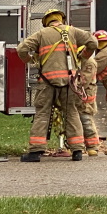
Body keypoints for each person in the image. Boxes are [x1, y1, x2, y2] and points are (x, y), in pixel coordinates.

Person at [17, 8, 98, 162]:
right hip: (70, 82)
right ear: (61, 19)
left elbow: (21, 49)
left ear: (46, 21)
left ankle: (35, 152)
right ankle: (77, 151)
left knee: (43, 114)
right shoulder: (73, 31)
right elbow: (93, 42)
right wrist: (83, 55)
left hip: (47, 82)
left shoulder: (42, 34)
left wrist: (31, 61)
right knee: (72, 114)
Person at [77, 44, 100, 156]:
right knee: (78, 121)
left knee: (86, 120)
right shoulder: (82, 60)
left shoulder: (89, 62)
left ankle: (93, 147)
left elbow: (84, 80)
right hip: (80, 94)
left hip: (86, 95)